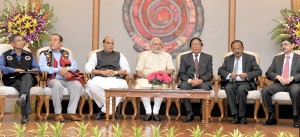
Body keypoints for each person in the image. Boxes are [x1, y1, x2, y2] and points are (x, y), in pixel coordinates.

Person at [85, 36, 130, 120]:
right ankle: (112, 110)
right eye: (108, 43)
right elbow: (88, 68)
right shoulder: (96, 55)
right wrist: (102, 72)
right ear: (103, 44)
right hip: (100, 78)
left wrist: (116, 72)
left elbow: (127, 69)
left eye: (112, 43)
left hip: (115, 78)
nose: (110, 45)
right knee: (92, 86)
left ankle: (103, 110)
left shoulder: (119, 55)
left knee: (123, 86)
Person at [39, 34, 82, 121]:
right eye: (51, 40)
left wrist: (67, 68)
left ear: (60, 43)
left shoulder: (66, 53)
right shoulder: (44, 54)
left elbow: (74, 65)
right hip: (53, 79)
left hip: (66, 78)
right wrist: (58, 70)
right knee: (57, 85)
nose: (51, 42)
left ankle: (71, 112)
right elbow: (42, 67)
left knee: (77, 85)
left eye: (55, 40)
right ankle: (58, 113)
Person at [218, 40, 262, 124]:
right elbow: (220, 70)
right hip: (232, 82)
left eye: (239, 48)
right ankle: (235, 115)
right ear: (232, 49)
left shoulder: (250, 58)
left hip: (245, 82)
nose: (237, 51)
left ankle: (242, 116)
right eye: (234, 49)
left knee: (241, 89)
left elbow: (258, 71)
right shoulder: (228, 58)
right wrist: (229, 75)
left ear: (243, 48)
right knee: (228, 88)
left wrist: (247, 74)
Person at [0, 34, 39, 124]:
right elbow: (1, 67)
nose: (22, 42)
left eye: (22, 40)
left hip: (29, 78)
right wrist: (13, 70)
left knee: (27, 76)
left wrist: (34, 69)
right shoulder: (5, 55)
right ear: (12, 44)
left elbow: (36, 67)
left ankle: (23, 98)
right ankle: (24, 99)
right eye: (18, 40)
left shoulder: (29, 55)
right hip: (12, 79)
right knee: (25, 85)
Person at [262, 38, 300, 128]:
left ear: (293, 45)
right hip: (279, 83)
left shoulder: (299, 58)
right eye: (282, 45)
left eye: (286, 44)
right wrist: (278, 76)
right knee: (265, 91)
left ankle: (296, 118)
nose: (283, 47)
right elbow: (269, 72)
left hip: (294, 83)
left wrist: (293, 77)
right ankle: (271, 117)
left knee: (296, 91)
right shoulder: (277, 58)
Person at [135, 37, 174, 121]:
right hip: (146, 78)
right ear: (150, 45)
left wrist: (160, 73)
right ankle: (148, 111)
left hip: (161, 78)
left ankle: (156, 112)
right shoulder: (144, 55)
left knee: (159, 85)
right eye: (155, 44)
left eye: (160, 44)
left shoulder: (167, 56)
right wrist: (146, 76)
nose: (158, 46)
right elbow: (138, 71)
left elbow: (171, 70)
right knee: (143, 85)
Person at [178, 37, 213, 122]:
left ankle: (203, 113)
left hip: (202, 81)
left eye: (198, 44)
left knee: (205, 87)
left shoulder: (208, 57)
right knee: (184, 87)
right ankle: (189, 113)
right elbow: (181, 73)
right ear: (190, 47)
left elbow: (209, 73)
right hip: (189, 81)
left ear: (201, 46)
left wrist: (200, 80)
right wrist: (191, 81)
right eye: (193, 44)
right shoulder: (184, 57)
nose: (196, 46)